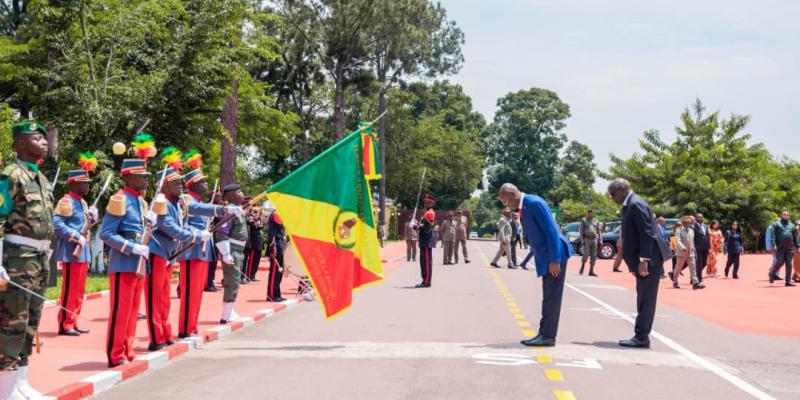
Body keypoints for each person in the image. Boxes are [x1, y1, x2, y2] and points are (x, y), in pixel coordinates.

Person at [0, 121, 54, 398]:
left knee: (31, 323)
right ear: (21, 143)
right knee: (12, 323)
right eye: (37, 138)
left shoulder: (41, 178)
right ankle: (4, 390)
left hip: (39, 258)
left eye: (44, 138)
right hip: (17, 259)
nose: (44, 142)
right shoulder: (10, 175)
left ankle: (20, 382)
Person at [498, 183, 572, 347]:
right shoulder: (526, 205)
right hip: (547, 256)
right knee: (548, 296)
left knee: (552, 298)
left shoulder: (533, 203)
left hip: (554, 256)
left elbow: (551, 230)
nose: (506, 205)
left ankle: (548, 336)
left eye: (505, 201)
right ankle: (543, 333)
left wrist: (554, 260)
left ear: (512, 195)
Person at [100, 156, 156, 367]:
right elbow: (106, 233)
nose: (146, 179)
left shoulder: (141, 202)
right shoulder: (119, 200)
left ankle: (127, 349)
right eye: (142, 176)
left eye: (147, 176)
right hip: (123, 263)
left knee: (133, 310)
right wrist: (131, 247)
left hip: (139, 262)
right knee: (121, 311)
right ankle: (115, 354)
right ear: (130, 178)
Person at [146, 167, 208, 351]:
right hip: (157, 252)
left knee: (165, 297)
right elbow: (169, 227)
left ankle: (165, 333)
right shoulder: (161, 202)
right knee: (155, 297)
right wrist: (195, 235)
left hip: (168, 254)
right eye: (176, 183)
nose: (180, 186)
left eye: (180, 182)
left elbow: (194, 213)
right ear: (165, 186)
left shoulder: (175, 203)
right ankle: (156, 337)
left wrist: (224, 210)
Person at [608, 179, 673, 349]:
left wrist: (644, 260)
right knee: (643, 297)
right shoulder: (630, 204)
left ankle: (642, 337)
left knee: (646, 299)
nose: (612, 198)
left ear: (621, 190)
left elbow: (647, 233)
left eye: (613, 194)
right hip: (643, 259)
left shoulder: (636, 204)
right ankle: (640, 335)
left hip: (649, 259)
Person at [178, 164, 230, 339]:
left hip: (202, 252)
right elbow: (185, 222)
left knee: (197, 292)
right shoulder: (187, 200)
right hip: (190, 251)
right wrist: (199, 233)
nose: (206, 184)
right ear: (193, 185)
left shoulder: (200, 202)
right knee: (189, 292)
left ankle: (192, 326)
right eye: (202, 182)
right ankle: (185, 328)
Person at [53, 160, 99, 336]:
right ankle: (65, 323)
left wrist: (92, 221)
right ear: (74, 184)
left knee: (79, 290)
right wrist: (75, 235)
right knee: (70, 290)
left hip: (82, 251)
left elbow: (84, 225)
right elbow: (57, 223)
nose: (87, 185)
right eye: (84, 183)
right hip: (71, 250)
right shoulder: (66, 201)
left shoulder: (82, 203)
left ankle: (73, 320)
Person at [215, 184, 248, 322]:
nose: (242, 194)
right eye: (239, 192)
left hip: (238, 249)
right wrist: (226, 253)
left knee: (235, 280)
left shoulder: (237, 209)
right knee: (232, 281)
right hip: (232, 249)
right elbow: (221, 232)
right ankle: (226, 314)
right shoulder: (229, 211)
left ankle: (230, 310)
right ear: (231, 195)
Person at [671, 216, 705, 290]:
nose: (687, 224)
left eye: (689, 223)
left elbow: (692, 242)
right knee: (678, 268)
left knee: (693, 268)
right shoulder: (678, 230)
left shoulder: (691, 230)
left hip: (691, 252)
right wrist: (682, 247)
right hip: (681, 253)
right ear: (682, 223)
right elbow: (677, 240)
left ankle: (695, 283)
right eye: (685, 222)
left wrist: (694, 251)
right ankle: (675, 281)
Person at [768, 211, 797, 287]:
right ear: (781, 215)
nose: (786, 215)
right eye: (784, 214)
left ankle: (788, 281)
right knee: (780, 262)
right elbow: (773, 235)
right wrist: (774, 244)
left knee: (789, 264)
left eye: (787, 215)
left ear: (789, 216)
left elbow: (795, 237)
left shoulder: (792, 225)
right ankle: (772, 273)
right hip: (780, 247)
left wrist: (797, 246)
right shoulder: (776, 224)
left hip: (790, 248)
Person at [266, 211, 287, 302]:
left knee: (279, 273)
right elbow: (272, 235)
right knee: (274, 272)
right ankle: (271, 295)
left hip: (281, 246)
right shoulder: (276, 213)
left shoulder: (281, 213)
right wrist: (273, 248)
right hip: (276, 247)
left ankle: (277, 294)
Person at [242, 206, 264, 282]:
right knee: (251, 260)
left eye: (256, 212)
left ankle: (253, 275)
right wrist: (259, 225)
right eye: (253, 211)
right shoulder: (250, 219)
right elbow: (257, 227)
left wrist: (261, 224)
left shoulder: (260, 219)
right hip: (253, 242)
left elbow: (261, 226)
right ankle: (248, 275)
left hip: (259, 242)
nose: (254, 213)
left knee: (257, 260)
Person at [415, 209, 435, 288]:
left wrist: (417, 226)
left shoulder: (429, 214)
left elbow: (426, 227)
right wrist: (416, 225)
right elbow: (423, 226)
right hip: (423, 243)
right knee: (423, 263)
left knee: (426, 263)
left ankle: (427, 282)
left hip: (426, 243)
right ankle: (424, 280)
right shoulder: (425, 217)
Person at [579, 210, 600, 276]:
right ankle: (582, 266)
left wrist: (600, 239)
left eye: (591, 213)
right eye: (589, 213)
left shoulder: (596, 220)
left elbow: (599, 231)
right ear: (587, 213)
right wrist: (582, 239)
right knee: (586, 254)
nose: (590, 214)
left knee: (594, 256)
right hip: (587, 239)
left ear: (593, 213)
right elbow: (581, 230)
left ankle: (591, 271)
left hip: (594, 239)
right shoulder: (584, 220)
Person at [693, 213, 710, 283]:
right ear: (696, 218)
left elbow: (708, 236)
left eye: (701, 217)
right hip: (697, 248)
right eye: (699, 217)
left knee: (705, 263)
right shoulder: (693, 226)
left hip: (705, 247)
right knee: (699, 263)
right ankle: (699, 278)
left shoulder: (706, 226)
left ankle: (694, 276)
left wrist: (709, 247)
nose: (700, 218)